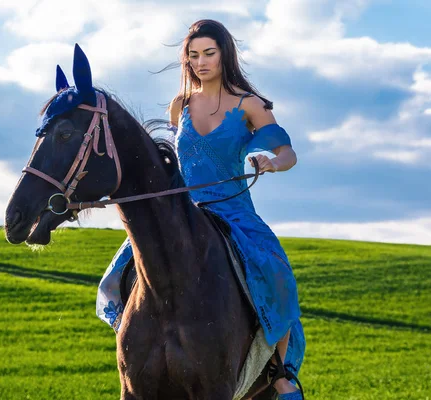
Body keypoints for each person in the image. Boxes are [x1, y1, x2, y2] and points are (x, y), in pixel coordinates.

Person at [97, 19, 305, 399]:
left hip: (233, 211)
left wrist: (270, 162)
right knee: (117, 276)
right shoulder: (180, 106)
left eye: (209, 53)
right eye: (193, 56)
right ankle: (139, 343)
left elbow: (288, 152)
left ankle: (279, 370)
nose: (201, 62)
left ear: (225, 54)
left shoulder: (250, 105)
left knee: (276, 273)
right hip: (184, 212)